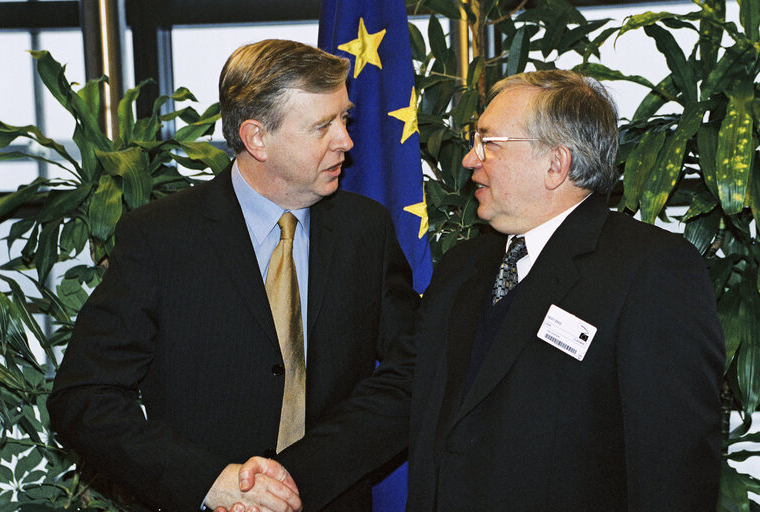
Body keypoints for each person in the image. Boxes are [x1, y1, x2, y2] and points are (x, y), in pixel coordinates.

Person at [238, 69, 725, 511]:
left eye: (489, 142)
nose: (470, 157)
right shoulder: (465, 267)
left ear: (556, 164)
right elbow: (403, 394)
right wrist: (291, 476)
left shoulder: (650, 270)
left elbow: (673, 465)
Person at [47, 39, 419, 512]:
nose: (346, 139)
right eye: (323, 125)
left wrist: (298, 479)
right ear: (256, 138)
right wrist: (209, 482)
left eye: (344, 118)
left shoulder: (366, 229)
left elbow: (411, 374)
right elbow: (84, 398)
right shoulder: (161, 237)